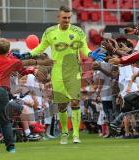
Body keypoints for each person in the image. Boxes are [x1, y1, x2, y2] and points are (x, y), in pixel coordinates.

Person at [20, 6, 106, 144]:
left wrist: (91, 53)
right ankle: (65, 132)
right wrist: (28, 54)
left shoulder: (77, 31)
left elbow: (84, 48)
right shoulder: (49, 32)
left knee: (75, 101)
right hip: (57, 73)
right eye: (64, 18)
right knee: (61, 105)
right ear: (58, 18)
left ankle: (76, 134)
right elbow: (40, 47)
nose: (67, 20)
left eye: (69, 18)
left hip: (73, 72)